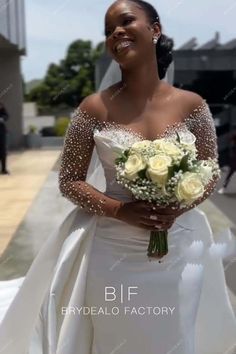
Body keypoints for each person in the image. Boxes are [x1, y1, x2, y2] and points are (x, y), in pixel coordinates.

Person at [0, 1, 236, 354]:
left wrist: (180, 203)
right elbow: (70, 180)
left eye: (126, 21)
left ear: (155, 30)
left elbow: (209, 172)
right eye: (109, 30)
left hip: (181, 246)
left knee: (175, 333)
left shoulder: (193, 105)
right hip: (112, 252)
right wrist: (119, 210)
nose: (117, 33)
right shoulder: (93, 109)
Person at [0, 102, 10, 175]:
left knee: (3, 151)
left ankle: (3, 169)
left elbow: (6, 115)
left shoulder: (1, 106)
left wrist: (2, 119)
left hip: (1, 132)